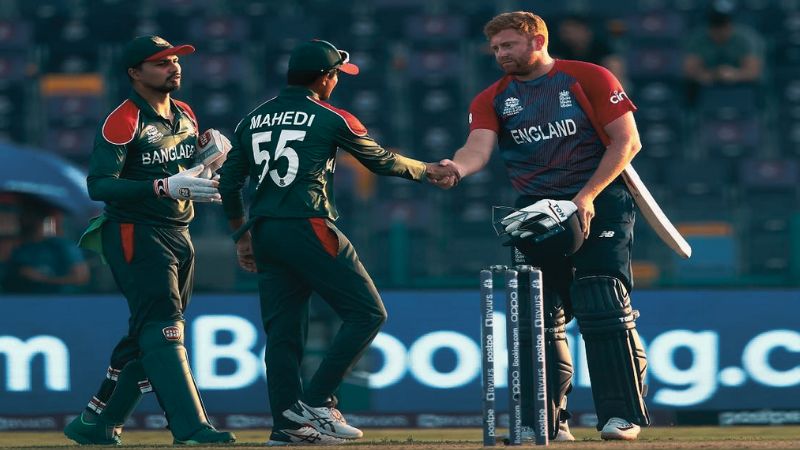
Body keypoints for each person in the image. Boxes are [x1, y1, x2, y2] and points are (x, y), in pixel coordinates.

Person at [218, 39, 459, 446]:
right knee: (368, 313)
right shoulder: (331, 117)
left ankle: (287, 427)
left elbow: (229, 183)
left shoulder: (251, 120)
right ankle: (316, 402)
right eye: (336, 76)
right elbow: (380, 160)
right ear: (324, 78)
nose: (336, 83)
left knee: (283, 336)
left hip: (265, 231)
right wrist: (427, 170)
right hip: (309, 224)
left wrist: (242, 235)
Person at [434, 11, 650, 441]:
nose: (500, 54)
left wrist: (585, 196)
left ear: (537, 41)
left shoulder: (588, 77)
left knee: (602, 298)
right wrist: (456, 167)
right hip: (535, 210)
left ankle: (620, 416)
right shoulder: (493, 97)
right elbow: (477, 148)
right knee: (535, 314)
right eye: (496, 48)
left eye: (508, 45)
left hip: (599, 198)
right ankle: (545, 421)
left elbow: (628, 141)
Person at [63, 35, 235, 445]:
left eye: (175, 60)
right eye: (161, 62)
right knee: (164, 329)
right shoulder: (123, 120)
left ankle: (96, 422)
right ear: (134, 73)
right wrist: (161, 187)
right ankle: (191, 428)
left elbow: (184, 175)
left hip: (179, 231)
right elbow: (99, 185)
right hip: (135, 232)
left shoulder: (185, 113)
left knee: (149, 333)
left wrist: (209, 165)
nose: (173, 67)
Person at [1, 198, 89, 294]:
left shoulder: (61, 246)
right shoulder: (17, 247)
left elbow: (81, 278)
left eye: (27, 214)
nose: (22, 219)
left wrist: (42, 278)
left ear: (39, 217)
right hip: (17, 300)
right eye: (21, 214)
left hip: (57, 300)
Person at [683, 5, 764, 104]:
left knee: (756, 87)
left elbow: (754, 72)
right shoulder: (698, 40)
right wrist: (711, 75)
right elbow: (689, 71)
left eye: (723, 26)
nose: (719, 31)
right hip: (706, 87)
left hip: (741, 86)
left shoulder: (746, 39)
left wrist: (735, 75)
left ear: (730, 25)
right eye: (715, 26)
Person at [549, 14, 626, 86]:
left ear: (584, 30)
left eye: (570, 32)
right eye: (564, 33)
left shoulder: (600, 45)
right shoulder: (559, 47)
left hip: (598, 84)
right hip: (568, 87)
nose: (568, 36)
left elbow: (613, 64)